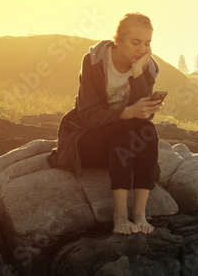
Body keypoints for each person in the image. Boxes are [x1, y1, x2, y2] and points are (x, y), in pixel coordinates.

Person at [47, 12, 163, 235]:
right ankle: (119, 216)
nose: (142, 49)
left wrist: (138, 74)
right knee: (123, 128)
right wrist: (127, 112)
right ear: (117, 40)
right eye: (135, 42)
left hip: (119, 145)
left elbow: (142, 119)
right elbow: (89, 115)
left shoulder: (147, 67)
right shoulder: (94, 62)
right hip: (85, 139)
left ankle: (139, 213)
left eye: (147, 43)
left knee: (147, 129)